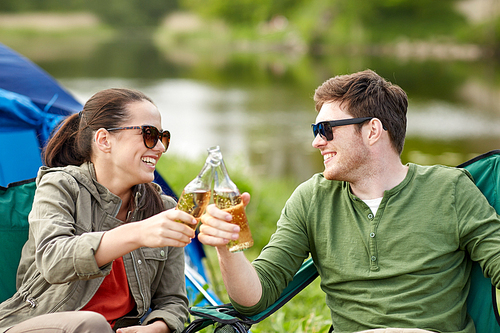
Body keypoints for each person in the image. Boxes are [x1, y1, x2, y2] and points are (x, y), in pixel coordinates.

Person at [197, 69, 500, 333]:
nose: (317, 141)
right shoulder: (312, 199)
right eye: (316, 131)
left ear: (372, 130)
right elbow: (255, 299)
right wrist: (226, 247)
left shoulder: (451, 190)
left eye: (325, 130)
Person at [0, 88, 198, 333]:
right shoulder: (60, 186)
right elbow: (53, 260)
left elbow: (173, 300)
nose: (159, 147)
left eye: (163, 137)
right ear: (104, 140)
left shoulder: (161, 209)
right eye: (149, 134)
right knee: (92, 324)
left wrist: (157, 328)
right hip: (34, 325)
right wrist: (137, 234)